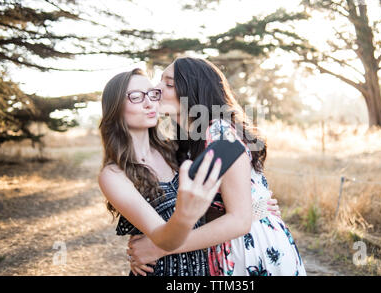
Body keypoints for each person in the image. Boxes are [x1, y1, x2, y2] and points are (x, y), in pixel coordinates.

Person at [128, 57, 306, 276]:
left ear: (194, 89)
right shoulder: (188, 140)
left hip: (251, 249)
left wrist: (158, 247)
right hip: (221, 247)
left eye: (169, 83)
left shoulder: (219, 132)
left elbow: (240, 221)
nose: (156, 88)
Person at [97, 68, 223, 276]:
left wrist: (255, 207)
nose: (149, 103)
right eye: (136, 97)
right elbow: (162, 238)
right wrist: (185, 213)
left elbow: (208, 211)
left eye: (152, 94)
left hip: (204, 269)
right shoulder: (114, 175)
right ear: (115, 107)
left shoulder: (175, 149)